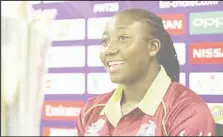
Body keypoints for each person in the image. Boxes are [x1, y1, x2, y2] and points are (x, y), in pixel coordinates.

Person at [75, 8, 215, 136]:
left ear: (153, 47)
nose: (109, 50)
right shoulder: (91, 110)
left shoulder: (187, 111)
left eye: (123, 38)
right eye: (105, 40)